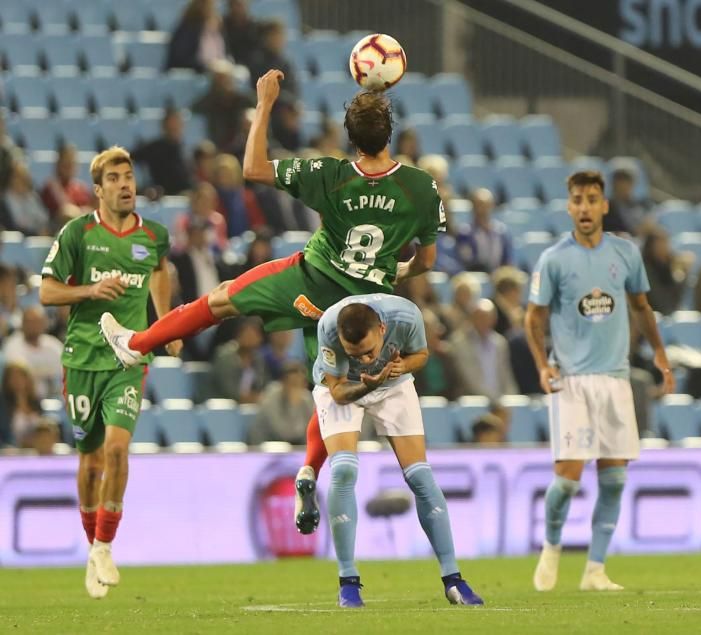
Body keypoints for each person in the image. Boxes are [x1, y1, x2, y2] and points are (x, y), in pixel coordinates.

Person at [99, 70, 444, 536]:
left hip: (311, 279)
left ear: (349, 137)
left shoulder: (331, 173)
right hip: (363, 308)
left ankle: (137, 344)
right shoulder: (421, 187)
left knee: (222, 300)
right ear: (391, 134)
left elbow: (254, 169)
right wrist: (397, 271)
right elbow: (425, 260)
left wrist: (263, 105)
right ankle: (308, 471)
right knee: (328, 391)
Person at [40, 147, 179, 600]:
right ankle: (92, 550)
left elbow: (160, 272)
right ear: (98, 190)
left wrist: (165, 323)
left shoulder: (154, 235)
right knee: (91, 461)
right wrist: (90, 289)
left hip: (128, 360)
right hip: (82, 359)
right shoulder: (78, 234)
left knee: (118, 451)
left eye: (129, 176)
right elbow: (46, 291)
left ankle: (104, 544)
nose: (126, 185)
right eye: (115, 178)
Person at [525, 171, 674, 592]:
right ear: (569, 207)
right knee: (568, 478)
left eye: (592, 199)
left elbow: (642, 307)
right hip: (571, 379)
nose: (585, 207)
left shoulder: (626, 253)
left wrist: (660, 352)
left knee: (614, 479)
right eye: (578, 200)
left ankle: (595, 570)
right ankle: (550, 548)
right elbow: (532, 318)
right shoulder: (554, 259)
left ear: (604, 205)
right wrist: (542, 364)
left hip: (616, 378)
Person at [311, 294, 483, 607]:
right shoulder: (328, 328)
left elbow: (421, 354)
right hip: (346, 390)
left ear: (382, 328)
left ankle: (454, 580)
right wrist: (368, 382)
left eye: (367, 351)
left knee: (420, 477)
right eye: (354, 354)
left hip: (393, 383)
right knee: (345, 469)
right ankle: (348, 582)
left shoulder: (406, 316)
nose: (362, 360)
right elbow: (336, 391)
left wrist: (402, 365)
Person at [450, 299, 518, 399]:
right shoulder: (459, 343)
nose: (484, 321)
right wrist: (494, 400)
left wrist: (512, 399)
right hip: (473, 403)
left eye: (488, 317)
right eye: (479, 317)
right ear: (472, 318)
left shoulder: (500, 343)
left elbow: (506, 376)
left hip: (500, 403)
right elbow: (469, 379)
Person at [2, 305, 64, 399]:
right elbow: (16, 379)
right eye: (30, 322)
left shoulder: (54, 345)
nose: (34, 326)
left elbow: (63, 373)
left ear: (44, 323)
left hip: (54, 399)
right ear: (22, 323)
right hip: (23, 401)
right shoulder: (12, 345)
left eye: (38, 322)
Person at [132, 109, 192, 196]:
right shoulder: (154, 148)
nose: (174, 128)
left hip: (184, 196)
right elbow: (129, 158)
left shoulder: (184, 149)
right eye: (171, 125)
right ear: (164, 126)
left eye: (177, 124)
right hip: (162, 196)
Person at [250, 361, 313, 444]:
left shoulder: (307, 399)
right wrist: (293, 405)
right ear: (283, 382)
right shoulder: (271, 396)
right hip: (264, 446)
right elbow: (283, 432)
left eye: (301, 383)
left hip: (291, 448)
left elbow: (310, 432)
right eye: (293, 383)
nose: (297, 388)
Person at [454, 189, 514, 272]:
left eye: (486, 205)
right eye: (478, 205)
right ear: (473, 207)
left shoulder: (502, 232)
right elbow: (467, 260)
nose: (481, 209)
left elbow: (507, 260)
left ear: (492, 206)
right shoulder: (465, 233)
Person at [166, 0, 227, 72]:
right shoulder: (188, 28)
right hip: (192, 72)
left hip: (212, 70)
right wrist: (204, 66)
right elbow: (181, 58)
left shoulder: (217, 27)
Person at [641, 230, 690, 316]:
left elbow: (677, 300)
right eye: (659, 244)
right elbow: (660, 302)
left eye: (666, 243)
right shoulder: (645, 268)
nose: (664, 247)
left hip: (668, 315)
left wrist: (682, 274)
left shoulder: (670, 265)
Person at [40, 145, 94, 224]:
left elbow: (91, 209)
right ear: (58, 164)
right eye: (66, 163)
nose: (69, 166)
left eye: (72, 162)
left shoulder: (81, 187)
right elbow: (65, 211)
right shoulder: (51, 186)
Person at [2, 161, 50, 235]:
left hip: (38, 239)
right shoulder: (4, 201)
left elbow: (44, 220)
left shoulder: (32, 197)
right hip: (20, 242)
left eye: (24, 176)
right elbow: (12, 227)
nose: (22, 180)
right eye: (18, 176)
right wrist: (36, 233)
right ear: (10, 178)